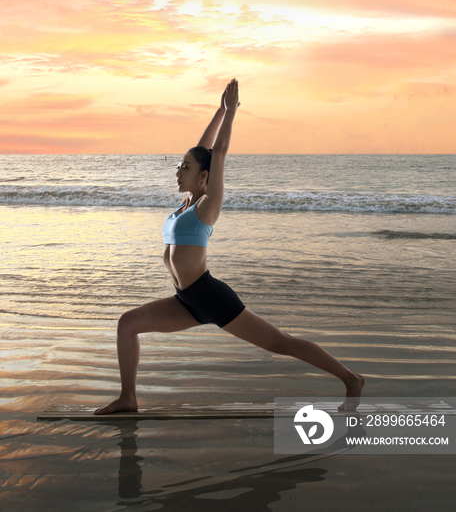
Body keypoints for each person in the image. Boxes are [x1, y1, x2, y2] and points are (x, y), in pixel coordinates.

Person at [94, 79, 365, 415]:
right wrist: (219, 110)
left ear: (204, 177)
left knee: (282, 343)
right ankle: (128, 398)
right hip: (187, 301)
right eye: (179, 165)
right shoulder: (186, 203)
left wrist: (232, 113)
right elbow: (203, 149)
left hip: (210, 297)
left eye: (186, 167)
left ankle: (351, 379)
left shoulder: (207, 205)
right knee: (128, 323)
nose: (178, 171)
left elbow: (216, 153)